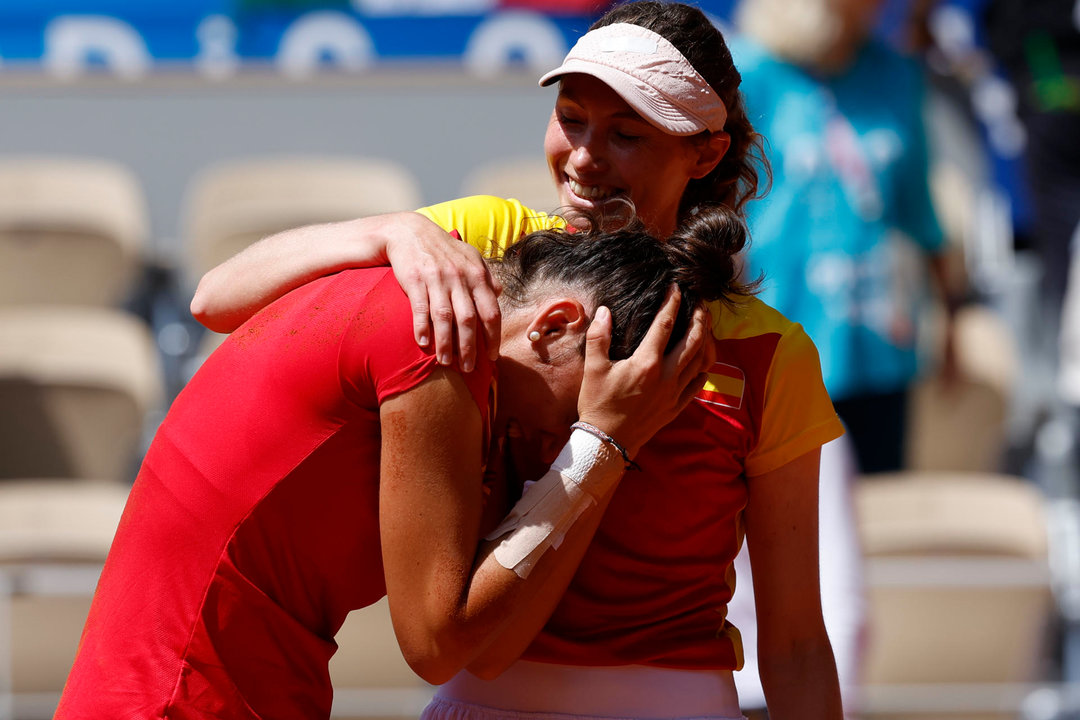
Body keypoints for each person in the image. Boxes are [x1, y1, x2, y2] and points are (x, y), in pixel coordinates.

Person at [191, 2, 847, 718]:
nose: (585, 158)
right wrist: (390, 231)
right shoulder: (483, 238)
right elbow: (218, 298)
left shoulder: (770, 352)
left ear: (706, 154)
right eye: (570, 118)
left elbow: (795, 643)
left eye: (626, 134)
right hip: (475, 694)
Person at [55, 216, 724, 719]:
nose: (555, 445)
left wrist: (601, 450)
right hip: (177, 698)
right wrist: (598, 448)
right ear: (554, 327)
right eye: (573, 412)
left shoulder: (462, 350)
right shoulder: (437, 335)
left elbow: (488, 650)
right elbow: (435, 645)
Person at [730, 0, 962, 476]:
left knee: (880, 512)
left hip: (880, 332)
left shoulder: (896, 74)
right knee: (792, 510)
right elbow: (715, 206)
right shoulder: (751, 74)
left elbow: (919, 207)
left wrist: (952, 316)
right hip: (781, 329)